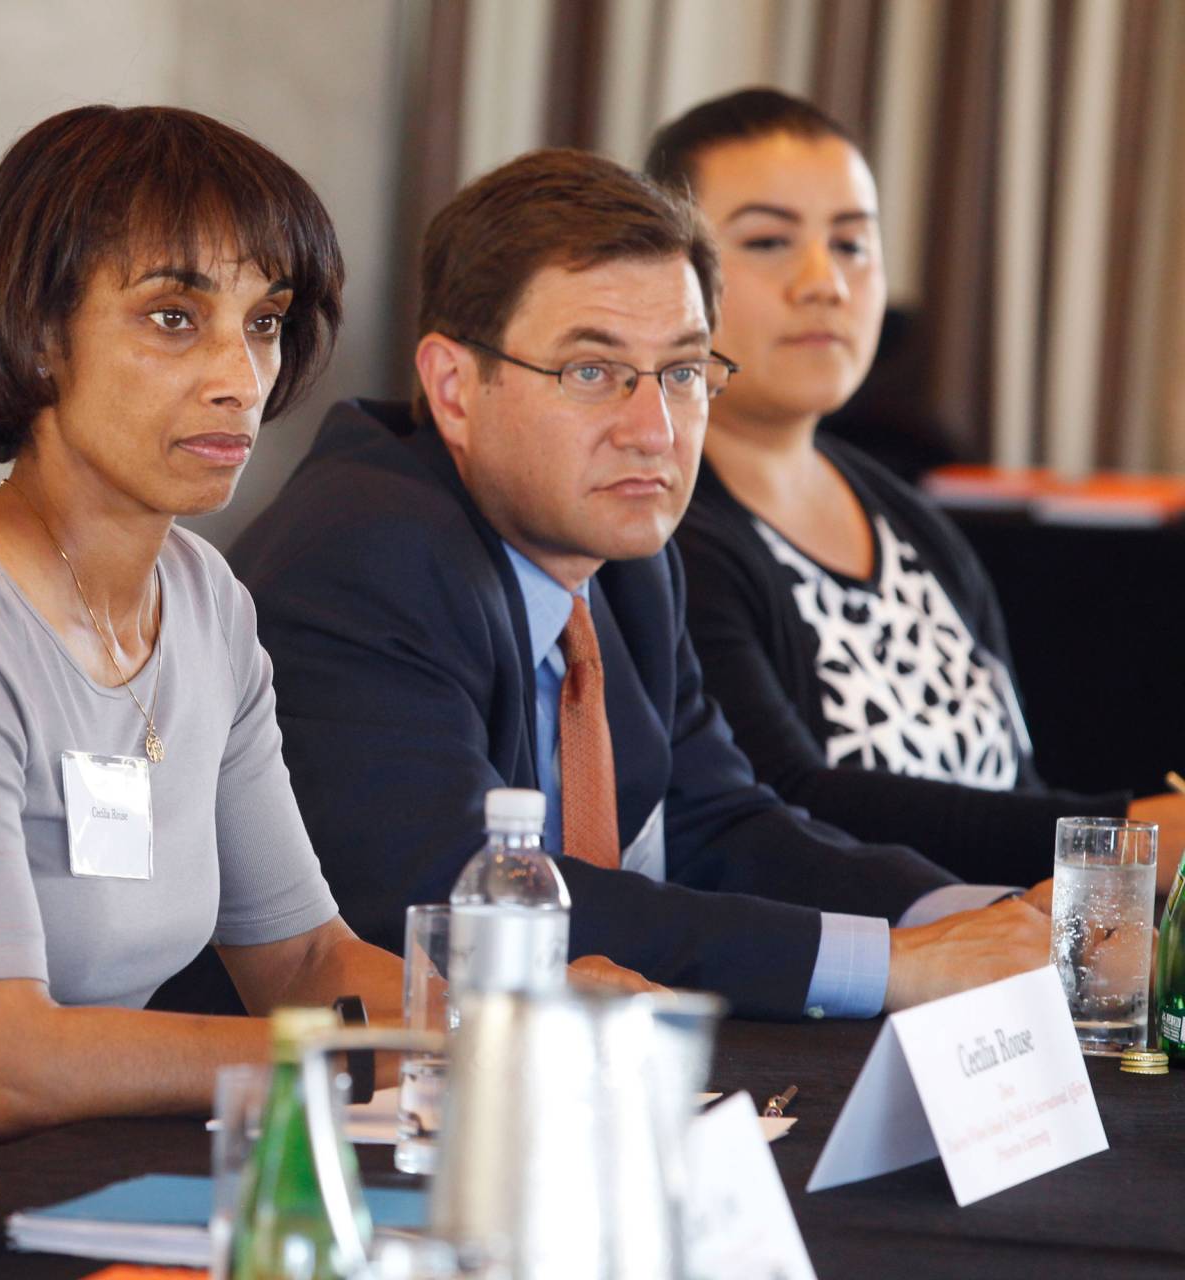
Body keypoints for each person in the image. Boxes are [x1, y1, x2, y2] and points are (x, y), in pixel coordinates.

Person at [0, 106, 649, 1140]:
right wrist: (395, 1049)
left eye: (264, 321)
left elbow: (301, 961)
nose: (239, 377)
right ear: (35, 337)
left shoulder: (205, 600)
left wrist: (518, 1016)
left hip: (73, 1162)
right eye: (172, 317)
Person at [230, 147, 1052, 1022]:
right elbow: (456, 898)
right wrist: (893, 964)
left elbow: (717, 824)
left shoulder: (630, 553)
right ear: (455, 387)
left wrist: (974, 920)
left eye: (685, 372)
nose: (654, 430)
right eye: (592, 371)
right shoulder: (366, 551)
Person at [648, 88, 1185, 885]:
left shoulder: (906, 513)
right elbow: (780, 801)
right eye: (767, 241)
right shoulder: (669, 524)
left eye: (853, 244)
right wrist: (1123, 836)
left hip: (998, 983)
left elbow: (1012, 778)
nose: (824, 282)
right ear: (672, 273)